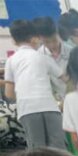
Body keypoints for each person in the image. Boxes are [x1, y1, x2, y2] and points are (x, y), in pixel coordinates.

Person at [4, 19, 66, 149]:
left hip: (27, 110)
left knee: (37, 152)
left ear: (14, 41)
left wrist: (24, 96)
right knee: (58, 149)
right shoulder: (43, 57)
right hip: (50, 107)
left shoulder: (11, 60)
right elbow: (65, 78)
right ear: (36, 38)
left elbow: (8, 93)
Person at [33, 16, 71, 101]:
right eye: (46, 42)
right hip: (55, 100)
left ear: (59, 34)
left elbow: (76, 80)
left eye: (54, 40)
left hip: (74, 95)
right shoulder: (39, 55)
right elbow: (44, 83)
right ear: (40, 39)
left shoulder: (72, 52)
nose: (52, 45)